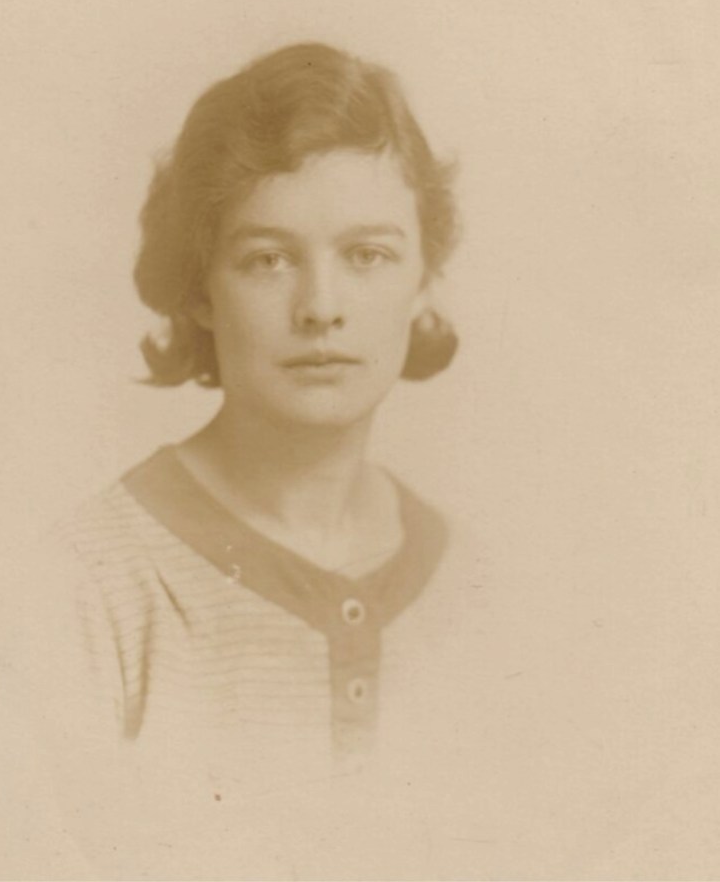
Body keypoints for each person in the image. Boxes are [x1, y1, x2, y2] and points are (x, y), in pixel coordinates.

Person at [43, 42, 460, 863]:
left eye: (368, 255)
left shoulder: (472, 581)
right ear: (200, 287)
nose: (321, 307)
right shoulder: (92, 586)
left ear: (423, 279)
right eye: (268, 260)